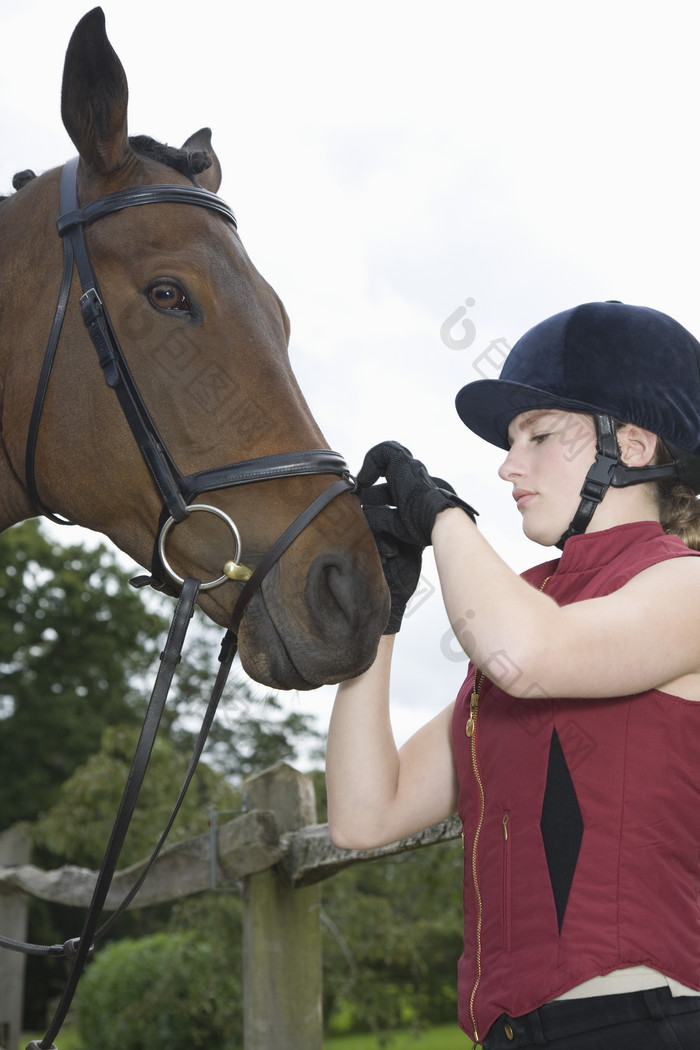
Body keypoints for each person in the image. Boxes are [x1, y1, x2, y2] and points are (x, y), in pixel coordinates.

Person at [326, 300, 700, 1049]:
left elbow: (526, 655)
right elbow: (366, 815)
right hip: (506, 1031)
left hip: (645, 1020)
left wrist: (442, 516)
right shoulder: (528, 612)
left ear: (629, 444)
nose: (507, 466)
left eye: (536, 435)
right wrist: (383, 615)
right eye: (509, 443)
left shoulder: (684, 583)